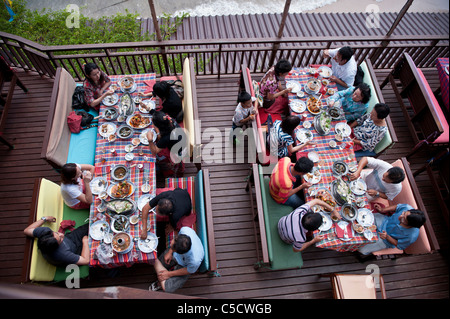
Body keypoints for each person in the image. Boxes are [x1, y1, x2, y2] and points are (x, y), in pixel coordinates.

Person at [357, 203, 426, 257]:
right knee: (360, 217)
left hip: (385, 240)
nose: (400, 216)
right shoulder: (407, 208)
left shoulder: (412, 236)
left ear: (410, 225)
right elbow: (397, 207)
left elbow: (398, 244)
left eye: (403, 219)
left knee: (361, 249)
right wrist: (383, 210)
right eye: (403, 213)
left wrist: (387, 237)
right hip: (384, 221)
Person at [150, 226, 204, 293]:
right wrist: (170, 251)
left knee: (167, 288)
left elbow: (189, 270)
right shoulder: (185, 230)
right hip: (176, 253)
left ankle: (160, 280)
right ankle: (161, 275)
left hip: (185, 266)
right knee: (157, 265)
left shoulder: (195, 260)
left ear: (181, 252)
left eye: (173, 249)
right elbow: (175, 240)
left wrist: (169, 274)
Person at [23, 217, 89, 266]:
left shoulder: (45, 233)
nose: (62, 234)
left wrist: (45, 219)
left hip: (71, 238)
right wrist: (85, 242)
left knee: (92, 226)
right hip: (76, 251)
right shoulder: (61, 254)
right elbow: (86, 260)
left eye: (56, 233)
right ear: (57, 246)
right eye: (60, 239)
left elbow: (26, 231)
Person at [147, 111, 187, 177]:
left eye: (153, 124)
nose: (153, 125)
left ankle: (167, 171)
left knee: (158, 157)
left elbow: (154, 151)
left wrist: (150, 140)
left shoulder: (166, 137)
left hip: (178, 151)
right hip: (182, 140)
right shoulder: (170, 120)